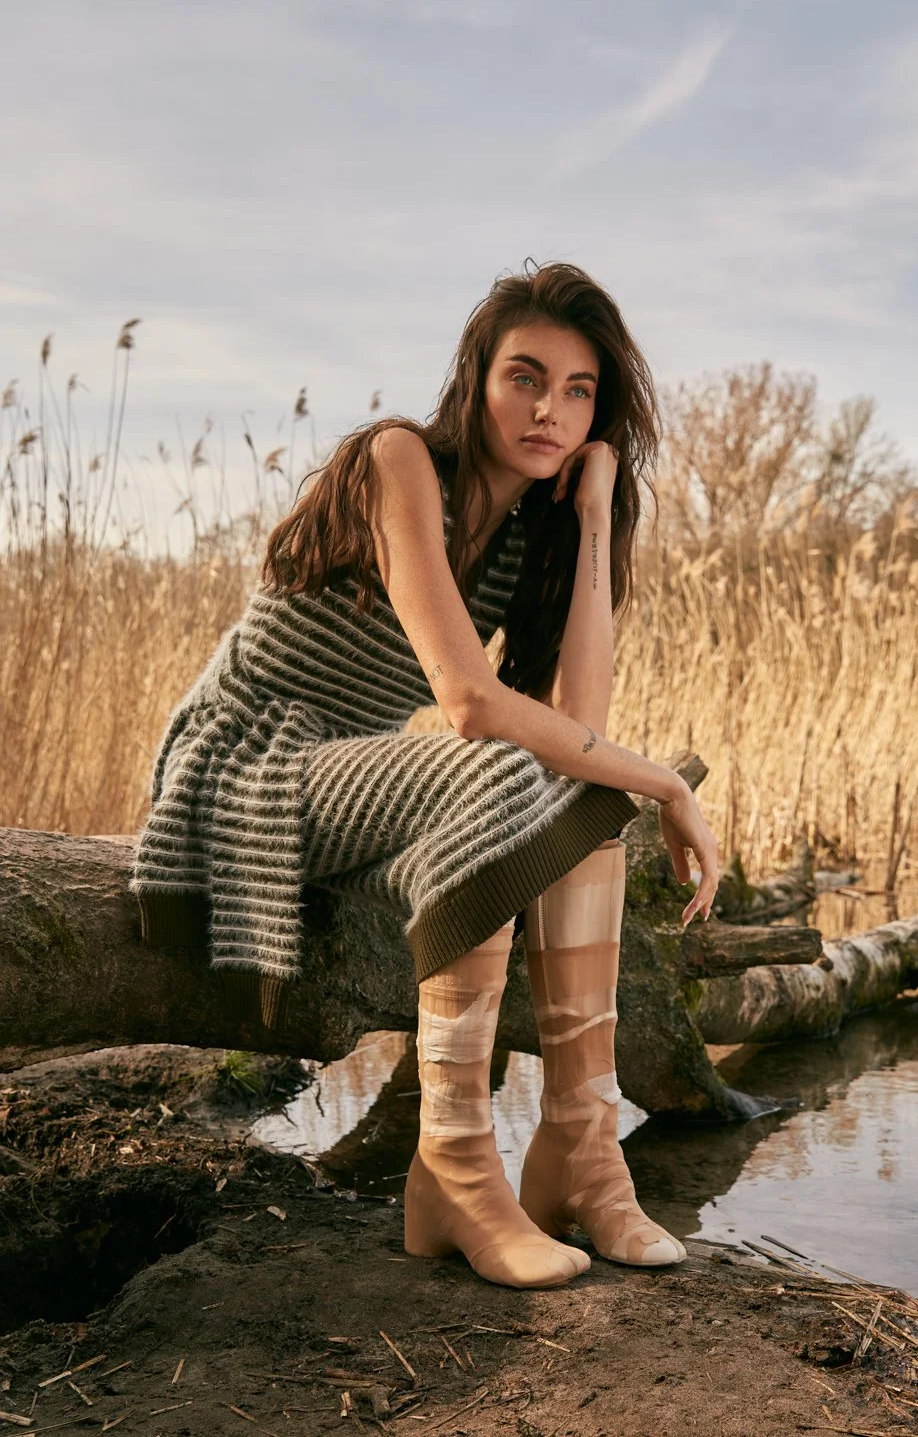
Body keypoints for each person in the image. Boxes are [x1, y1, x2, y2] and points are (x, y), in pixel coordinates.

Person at [130, 259, 720, 1290]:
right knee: (497, 763)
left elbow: (578, 732)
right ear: (475, 379)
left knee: (576, 793)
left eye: (578, 392)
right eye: (525, 377)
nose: (548, 409)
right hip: (246, 762)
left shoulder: (533, 527)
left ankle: (581, 1153)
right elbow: (470, 705)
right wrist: (667, 785)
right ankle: (452, 1164)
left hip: (349, 775)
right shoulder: (396, 460)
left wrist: (590, 518)